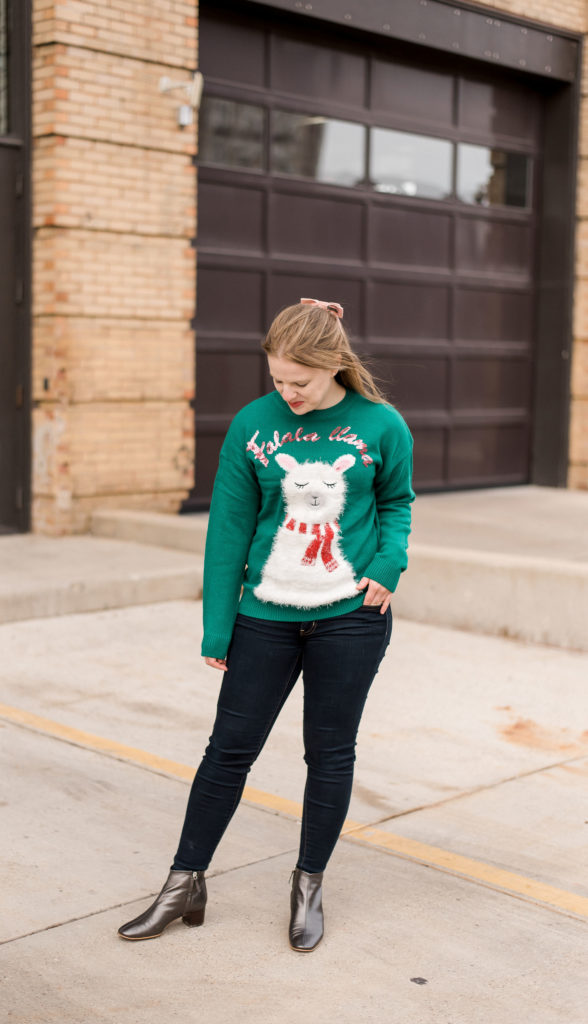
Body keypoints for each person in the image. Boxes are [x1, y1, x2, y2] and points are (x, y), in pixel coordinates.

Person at [118, 298, 414, 952]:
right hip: (264, 617)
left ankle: (308, 885)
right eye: (278, 380)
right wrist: (217, 626)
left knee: (329, 754)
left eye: (299, 383)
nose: (287, 393)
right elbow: (227, 529)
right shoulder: (253, 424)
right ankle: (183, 882)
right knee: (228, 750)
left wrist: (390, 565)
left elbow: (397, 502)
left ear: (334, 364)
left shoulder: (382, 425)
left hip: (352, 618)